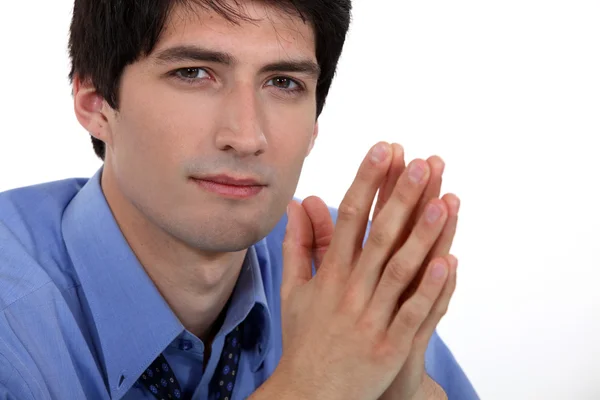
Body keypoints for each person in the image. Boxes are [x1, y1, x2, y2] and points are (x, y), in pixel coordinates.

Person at [0, 0, 479, 399]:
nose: (247, 136)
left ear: (314, 125)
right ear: (94, 101)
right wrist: (312, 387)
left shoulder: (340, 277)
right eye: (193, 73)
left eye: (284, 83)